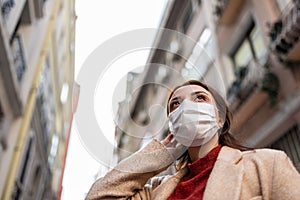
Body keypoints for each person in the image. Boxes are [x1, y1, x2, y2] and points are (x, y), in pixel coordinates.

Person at [86, 80, 300, 200]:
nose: (187, 107)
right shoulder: (156, 191)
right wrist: (160, 155)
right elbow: (99, 197)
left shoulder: (266, 165)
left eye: (200, 98)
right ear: (172, 124)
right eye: (175, 105)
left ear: (219, 117)